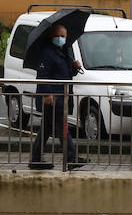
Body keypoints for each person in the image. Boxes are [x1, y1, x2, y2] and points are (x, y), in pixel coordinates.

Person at [28, 23, 88, 170]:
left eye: (63, 36)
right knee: (63, 128)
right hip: (53, 98)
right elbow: (43, 76)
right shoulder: (47, 53)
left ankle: (35, 159)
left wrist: (75, 67)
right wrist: (47, 94)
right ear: (51, 36)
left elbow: (67, 74)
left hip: (63, 97)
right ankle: (71, 158)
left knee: (47, 129)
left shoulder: (64, 52)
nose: (60, 39)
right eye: (58, 36)